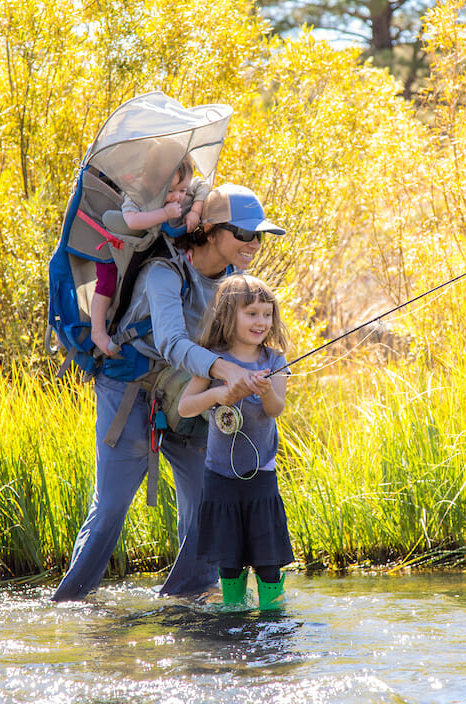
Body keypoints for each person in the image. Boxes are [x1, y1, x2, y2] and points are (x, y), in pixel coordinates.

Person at [52, 183, 286, 602]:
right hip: (128, 392)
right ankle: (69, 604)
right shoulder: (165, 271)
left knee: (206, 506)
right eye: (244, 233)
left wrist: (255, 373)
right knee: (109, 511)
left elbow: (241, 343)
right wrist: (223, 369)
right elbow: (171, 344)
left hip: (189, 400)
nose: (254, 243)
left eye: (259, 235)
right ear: (211, 231)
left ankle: (188, 602)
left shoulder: (237, 285)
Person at [177, 274, 295, 610]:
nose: (261, 322)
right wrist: (219, 392)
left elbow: (275, 410)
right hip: (219, 479)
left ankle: (273, 620)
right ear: (229, 316)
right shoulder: (212, 360)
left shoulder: (274, 361)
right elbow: (186, 407)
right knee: (229, 562)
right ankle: (233, 618)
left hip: (260, 477)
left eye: (267, 314)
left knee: (268, 563)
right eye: (252, 313)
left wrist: (267, 389)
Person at [89, 159, 208, 357]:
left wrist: (195, 209)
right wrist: (165, 213)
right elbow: (132, 220)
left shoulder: (182, 190)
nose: (178, 197)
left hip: (148, 245)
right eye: (170, 191)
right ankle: (98, 332)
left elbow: (202, 185)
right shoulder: (138, 193)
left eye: (183, 190)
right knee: (107, 283)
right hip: (118, 246)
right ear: (149, 182)